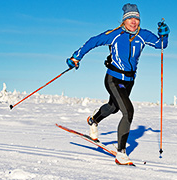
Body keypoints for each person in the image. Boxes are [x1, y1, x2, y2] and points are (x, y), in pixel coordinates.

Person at [66, 3, 169, 165]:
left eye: (136, 18)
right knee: (128, 111)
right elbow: (93, 41)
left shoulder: (143, 35)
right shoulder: (115, 34)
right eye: (130, 18)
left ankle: (94, 120)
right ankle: (121, 153)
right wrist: (76, 57)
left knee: (113, 107)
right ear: (124, 20)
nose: (133, 22)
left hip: (129, 81)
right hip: (113, 79)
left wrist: (164, 35)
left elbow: (160, 45)